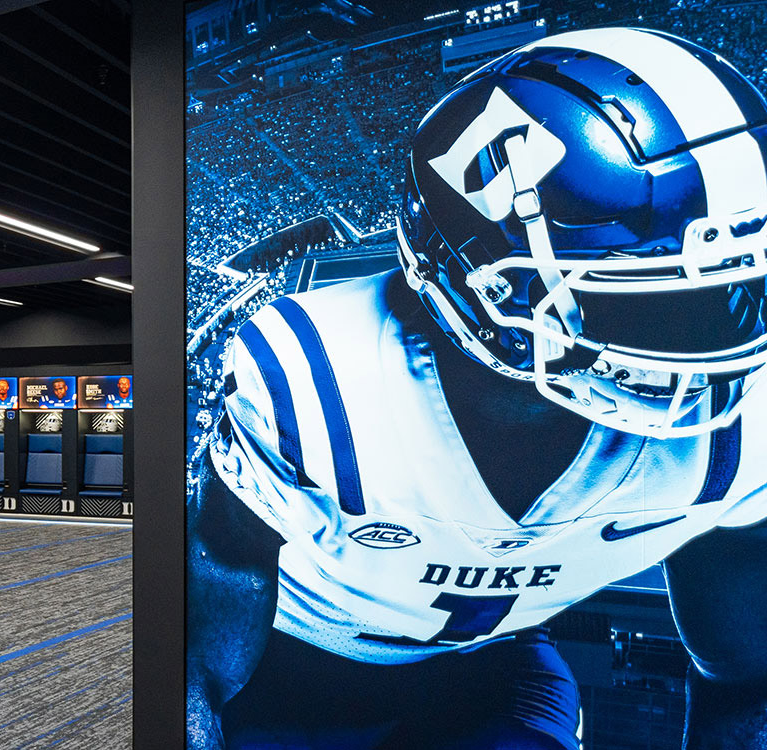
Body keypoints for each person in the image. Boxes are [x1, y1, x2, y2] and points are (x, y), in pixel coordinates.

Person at [189, 29, 767, 750]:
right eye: (647, 302)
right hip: (281, 677)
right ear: (483, 282)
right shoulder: (312, 379)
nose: (715, 356)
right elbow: (197, 655)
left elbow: (746, 680)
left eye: (740, 291)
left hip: (490, 674)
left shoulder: (742, 428)